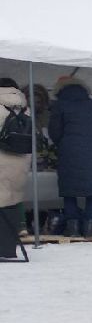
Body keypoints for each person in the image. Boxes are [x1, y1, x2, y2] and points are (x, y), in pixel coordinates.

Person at [48, 77, 92, 237]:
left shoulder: (60, 104)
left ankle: (72, 228)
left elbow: (54, 131)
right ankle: (89, 228)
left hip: (69, 151)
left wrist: (64, 143)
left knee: (69, 190)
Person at [0, 78, 32, 256]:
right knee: (11, 204)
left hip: (1, 163)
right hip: (20, 164)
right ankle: (7, 248)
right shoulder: (25, 108)